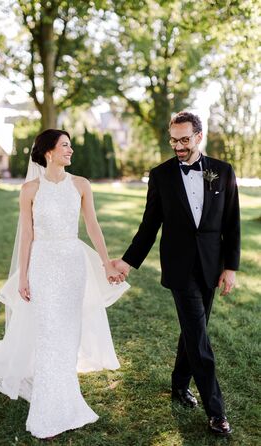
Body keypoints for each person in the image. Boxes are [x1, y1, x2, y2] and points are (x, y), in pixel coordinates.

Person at [0, 129, 129, 440]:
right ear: (48, 152)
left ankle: (67, 395)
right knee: (49, 331)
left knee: (68, 332)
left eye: (70, 146)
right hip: (42, 264)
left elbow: (92, 225)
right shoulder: (28, 190)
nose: (70, 151)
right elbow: (27, 235)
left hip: (72, 264)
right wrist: (23, 276)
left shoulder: (81, 185)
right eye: (64, 146)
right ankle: (48, 406)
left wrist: (106, 262)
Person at [113, 111, 240, 435]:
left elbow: (231, 224)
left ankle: (179, 385)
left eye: (184, 140)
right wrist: (128, 261)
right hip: (180, 268)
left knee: (192, 331)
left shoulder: (222, 172)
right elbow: (149, 225)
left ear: (199, 136)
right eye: (174, 140)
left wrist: (230, 267)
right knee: (199, 338)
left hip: (211, 267)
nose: (178, 146)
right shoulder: (161, 175)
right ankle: (217, 412)